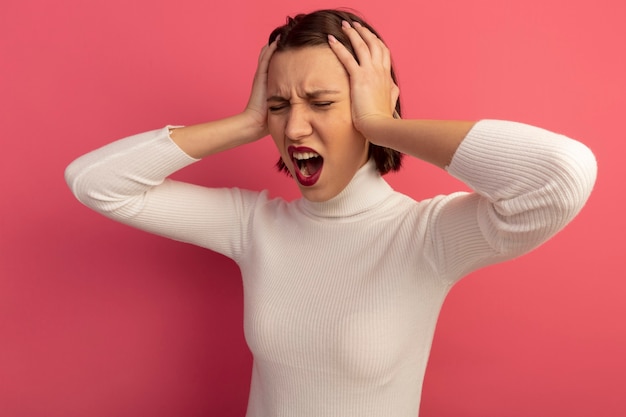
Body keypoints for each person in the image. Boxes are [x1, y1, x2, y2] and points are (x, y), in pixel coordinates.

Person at [65, 9, 597, 417]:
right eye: (280, 106)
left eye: (320, 103)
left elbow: (561, 174)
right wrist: (249, 121)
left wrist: (380, 122)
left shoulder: (426, 236)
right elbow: (95, 184)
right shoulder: (253, 226)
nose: (294, 129)